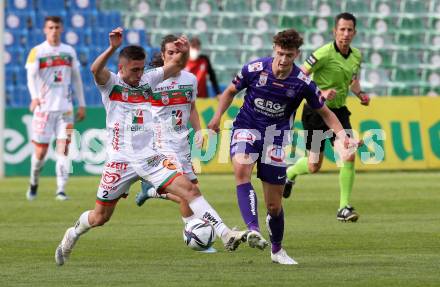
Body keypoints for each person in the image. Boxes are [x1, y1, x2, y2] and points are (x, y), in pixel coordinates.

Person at [54, 27, 249, 266]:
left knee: (191, 190)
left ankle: (225, 233)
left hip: (151, 157)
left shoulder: (149, 78)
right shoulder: (111, 85)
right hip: (120, 161)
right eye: (134, 70)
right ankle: (72, 234)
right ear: (121, 68)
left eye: (142, 68)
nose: (139, 74)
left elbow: (177, 65)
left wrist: (184, 51)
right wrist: (113, 47)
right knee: (100, 217)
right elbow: (95, 70)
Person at [207, 29, 360, 265]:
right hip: (247, 127)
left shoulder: (302, 83)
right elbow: (229, 92)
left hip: (276, 138)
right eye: (280, 53)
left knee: (274, 205)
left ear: (297, 54)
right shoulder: (254, 68)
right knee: (241, 170)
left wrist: (343, 136)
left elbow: (326, 113)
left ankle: (277, 250)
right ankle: (253, 229)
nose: (283, 60)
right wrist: (217, 117)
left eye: (289, 55)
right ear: (273, 50)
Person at [283, 12, 370, 223]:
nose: (346, 34)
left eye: (349, 30)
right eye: (342, 29)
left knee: (348, 153)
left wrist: (359, 94)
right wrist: (319, 93)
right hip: (316, 112)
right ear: (335, 31)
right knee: (314, 166)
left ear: (354, 32)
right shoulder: (323, 53)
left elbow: (353, 81)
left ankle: (343, 208)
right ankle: (291, 173)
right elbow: (299, 76)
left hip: (339, 112)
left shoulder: (356, 55)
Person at [134, 35, 208, 247]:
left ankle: (152, 192)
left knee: (192, 191)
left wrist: (199, 131)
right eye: (171, 53)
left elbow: (192, 107)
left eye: (179, 52)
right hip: (160, 144)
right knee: (189, 193)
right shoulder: (151, 81)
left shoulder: (190, 79)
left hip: (182, 142)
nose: (175, 56)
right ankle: (195, 234)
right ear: (163, 55)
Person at [25, 16, 86, 201]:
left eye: (57, 27)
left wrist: (81, 103)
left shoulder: (69, 51)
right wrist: (35, 97)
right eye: (50, 27)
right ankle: (34, 182)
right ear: (45, 29)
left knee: (64, 149)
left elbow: (76, 78)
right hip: (43, 110)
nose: (53, 30)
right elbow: (30, 77)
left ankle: (61, 189)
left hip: (66, 109)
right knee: (41, 153)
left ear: (61, 29)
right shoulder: (37, 51)